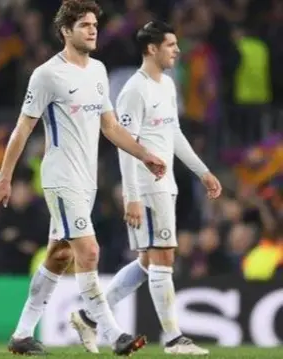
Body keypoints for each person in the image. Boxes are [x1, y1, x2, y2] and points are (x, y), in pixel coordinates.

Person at [0, 0, 167, 356]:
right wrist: (4, 176)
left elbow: (111, 127)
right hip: (60, 177)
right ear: (66, 31)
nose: (93, 30)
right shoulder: (47, 74)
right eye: (84, 25)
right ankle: (113, 334)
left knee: (58, 256)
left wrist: (144, 154)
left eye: (94, 24)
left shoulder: (98, 71)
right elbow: (24, 128)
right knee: (90, 250)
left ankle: (22, 335)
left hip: (87, 181)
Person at [70, 21, 221, 355]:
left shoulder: (167, 85)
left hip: (164, 183)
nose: (177, 51)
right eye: (170, 45)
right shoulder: (133, 91)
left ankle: (88, 316)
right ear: (152, 49)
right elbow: (126, 145)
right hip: (147, 186)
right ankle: (172, 339)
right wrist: (132, 197)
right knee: (163, 256)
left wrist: (202, 171)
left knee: (148, 262)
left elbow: (175, 134)